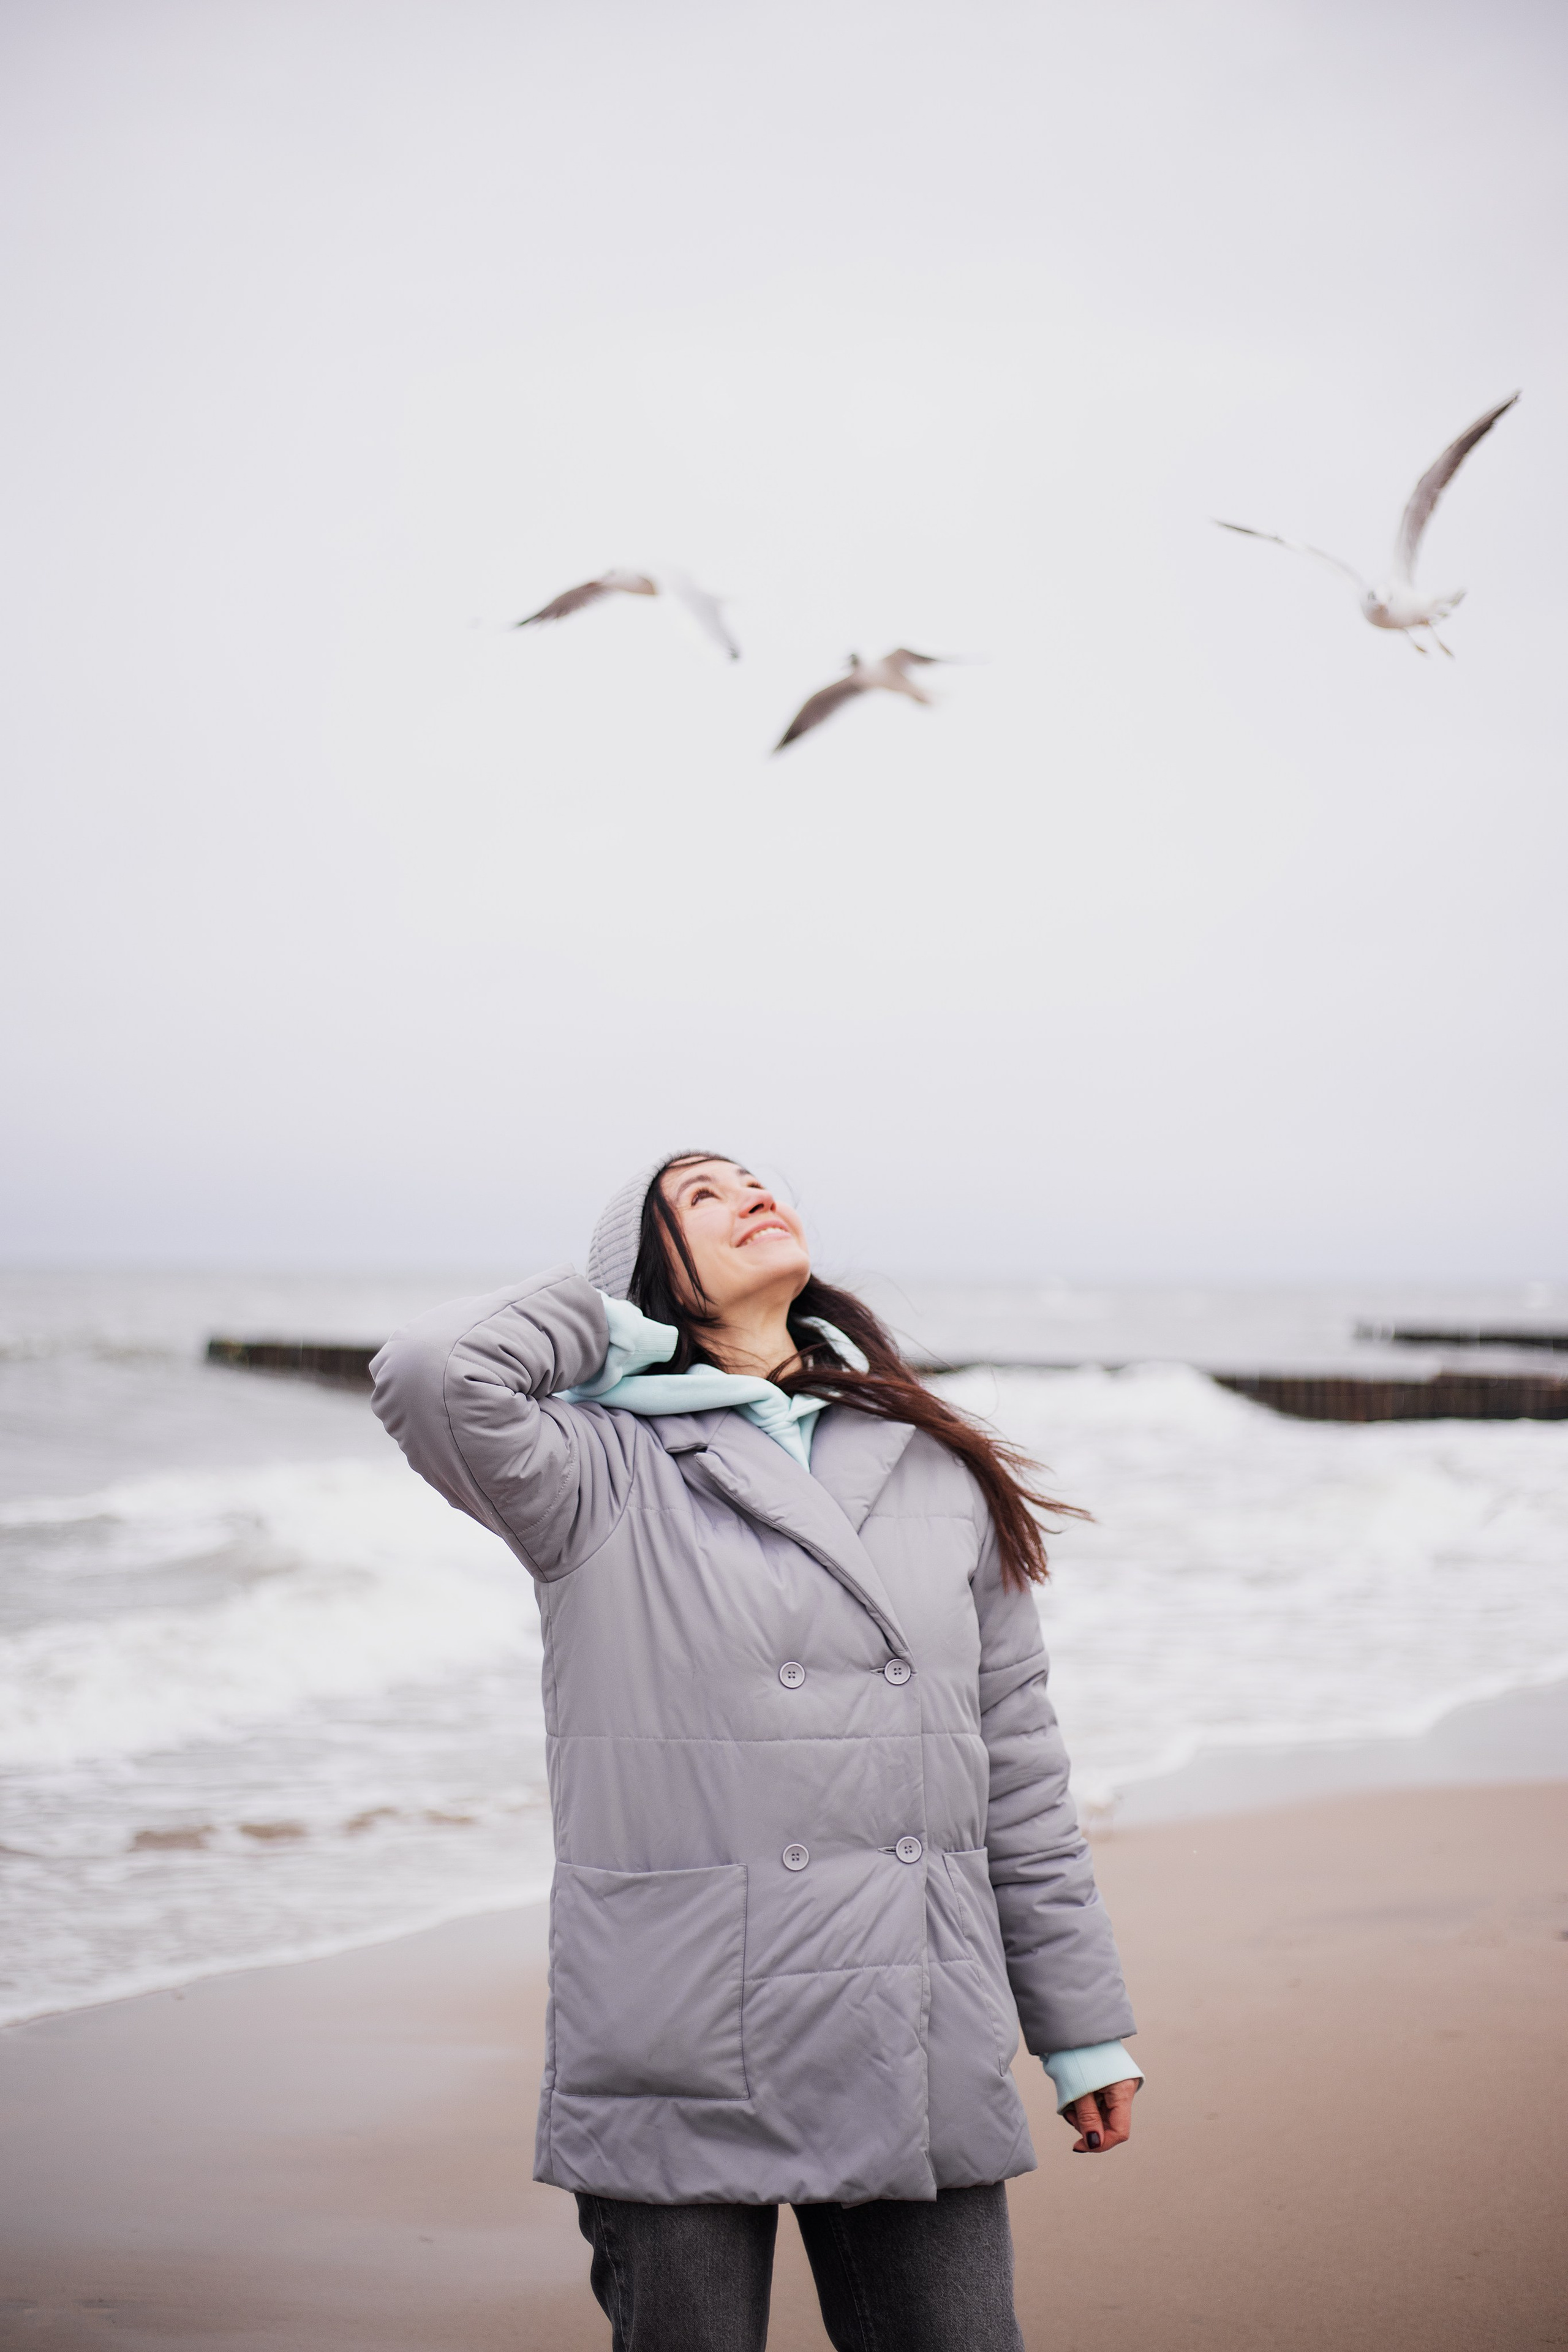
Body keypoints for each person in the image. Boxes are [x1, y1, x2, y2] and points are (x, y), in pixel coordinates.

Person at [371, 1152, 1140, 2352]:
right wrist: (603, 1328)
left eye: (754, 1180)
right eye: (702, 1197)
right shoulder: (593, 1469)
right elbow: (430, 1371)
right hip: (680, 2025)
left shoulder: (932, 1459)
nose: (751, 1196)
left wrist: (1078, 2023)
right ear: (648, 1275)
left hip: (913, 2016)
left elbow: (1020, 1775)